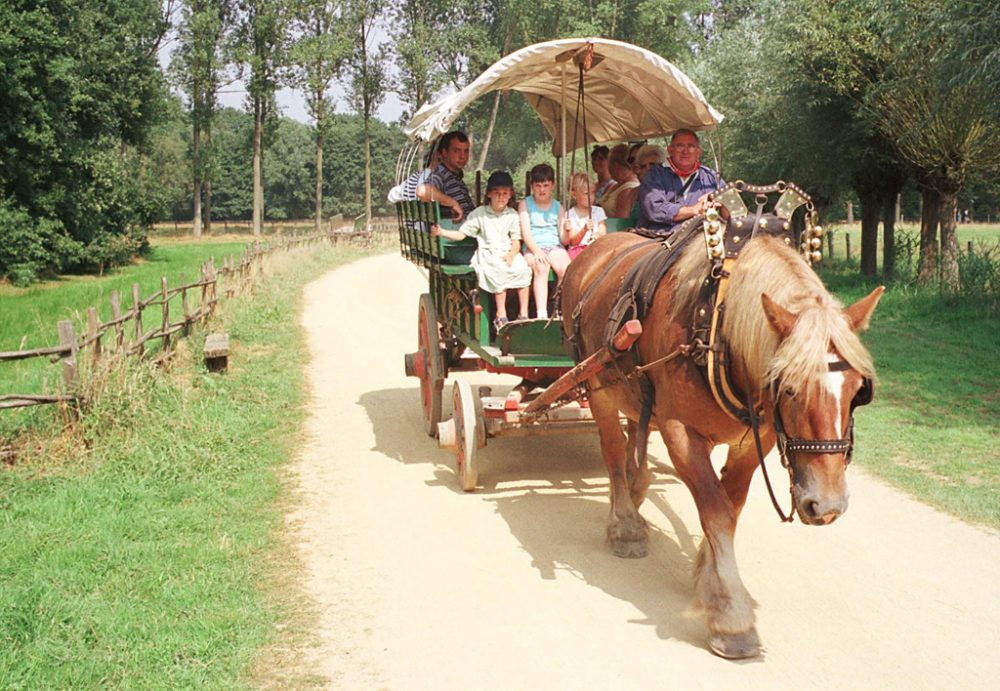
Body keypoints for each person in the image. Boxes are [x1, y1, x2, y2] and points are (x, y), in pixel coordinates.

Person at [431, 171, 530, 330]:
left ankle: (523, 315)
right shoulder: (480, 214)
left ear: (510, 195)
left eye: (505, 194)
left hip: (507, 251)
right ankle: (501, 315)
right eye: (497, 193)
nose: (501, 197)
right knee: (498, 270)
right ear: (489, 194)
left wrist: (512, 254)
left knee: (523, 268)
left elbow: (516, 242)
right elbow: (462, 234)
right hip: (488, 252)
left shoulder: (512, 215)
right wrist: (442, 232)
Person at [638, 128, 724, 235]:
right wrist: (695, 209)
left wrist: (719, 197)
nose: (686, 151)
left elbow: (733, 212)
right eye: (680, 146)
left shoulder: (711, 177)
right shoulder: (655, 175)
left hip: (701, 239)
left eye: (691, 146)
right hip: (659, 239)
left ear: (698, 152)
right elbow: (654, 210)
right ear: (670, 150)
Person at [518, 163, 570, 320]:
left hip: (554, 246)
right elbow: (526, 234)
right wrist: (537, 251)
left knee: (566, 269)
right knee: (541, 267)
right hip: (532, 248)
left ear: (552, 185)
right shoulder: (525, 204)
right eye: (538, 185)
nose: (542, 190)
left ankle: (559, 308)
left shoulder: (558, 207)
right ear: (532, 186)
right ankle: (542, 313)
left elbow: (563, 239)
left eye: (546, 185)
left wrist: (567, 230)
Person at [416, 130, 475, 222]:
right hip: (459, 232)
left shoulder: (454, 177)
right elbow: (422, 191)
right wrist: (452, 203)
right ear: (444, 153)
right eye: (456, 151)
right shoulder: (441, 174)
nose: (462, 156)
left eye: (466, 151)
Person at [562, 172, 607, 260]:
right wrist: (584, 230)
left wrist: (597, 235)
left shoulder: (598, 211)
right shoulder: (570, 215)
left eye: (593, 193)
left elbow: (603, 231)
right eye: (587, 194)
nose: (591, 197)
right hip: (578, 250)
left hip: (596, 247)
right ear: (574, 194)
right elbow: (573, 241)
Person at [598, 143, 640, 219]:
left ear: (615, 165)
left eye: (609, 165)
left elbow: (620, 221)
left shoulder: (628, 189)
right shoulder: (614, 185)